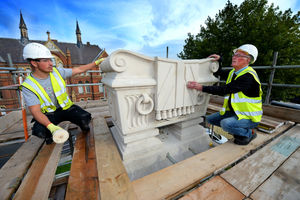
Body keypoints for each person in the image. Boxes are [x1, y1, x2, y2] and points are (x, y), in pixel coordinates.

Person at [21, 42, 104, 144]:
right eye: (46, 60)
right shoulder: (28, 85)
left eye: (50, 60)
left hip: (65, 108)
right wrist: (50, 126)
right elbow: (36, 111)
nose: (51, 63)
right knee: (40, 131)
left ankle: (85, 130)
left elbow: (78, 69)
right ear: (34, 63)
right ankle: (49, 139)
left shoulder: (57, 72)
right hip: (48, 114)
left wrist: (95, 63)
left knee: (85, 118)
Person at [187, 44, 262, 145]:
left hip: (249, 117)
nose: (234, 57)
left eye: (239, 55)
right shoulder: (234, 72)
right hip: (237, 113)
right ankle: (239, 129)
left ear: (248, 60)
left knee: (226, 124)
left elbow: (224, 89)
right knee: (210, 119)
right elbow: (219, 72)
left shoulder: (248, 77)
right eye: (235, 54)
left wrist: (201, 87)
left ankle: (248, 133)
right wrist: (219, 60)